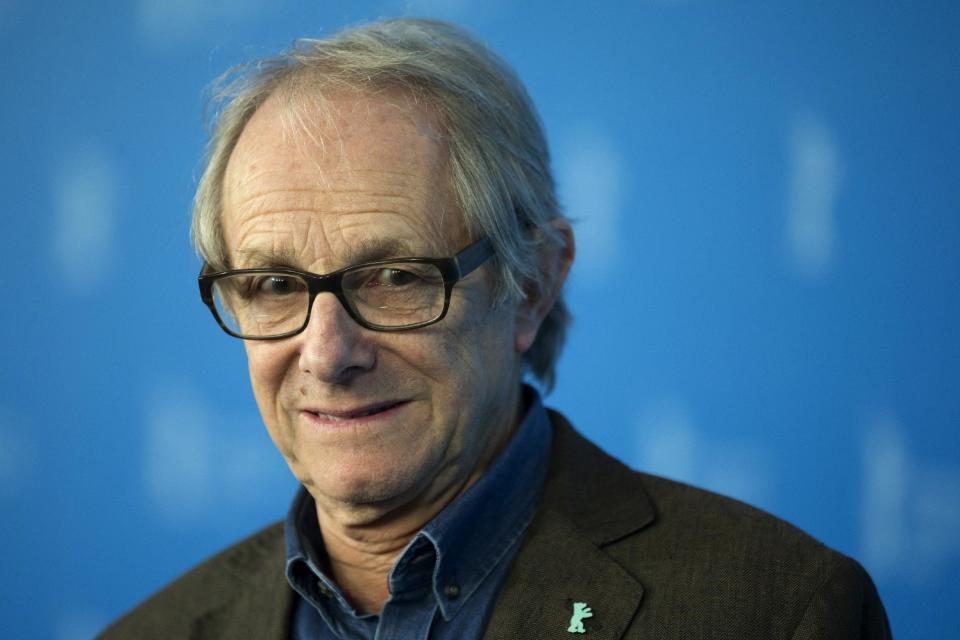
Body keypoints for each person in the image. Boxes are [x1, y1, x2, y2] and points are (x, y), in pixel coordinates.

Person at [101, 18, 891, 639]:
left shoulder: (777, 612)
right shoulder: (150, 633)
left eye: (396, 276)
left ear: (532, 285)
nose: (327, 352)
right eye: (274, 285)